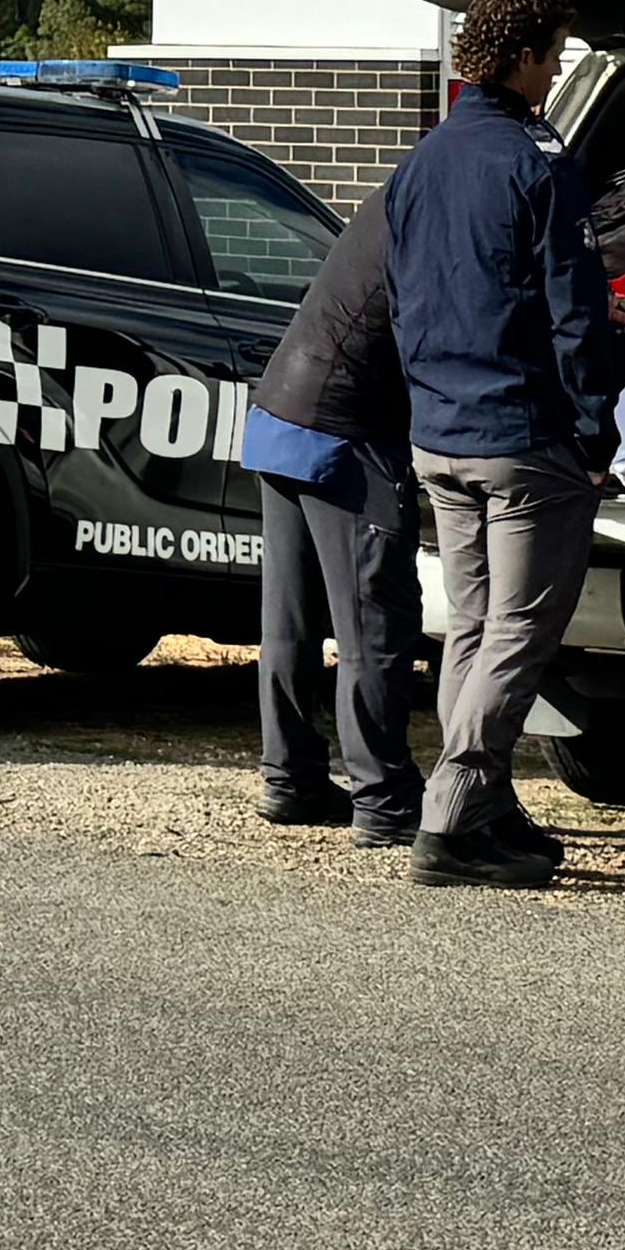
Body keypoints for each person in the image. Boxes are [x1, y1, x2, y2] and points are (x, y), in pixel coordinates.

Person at [384, 0, 625, 888]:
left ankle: (482, 813)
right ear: (523, 58)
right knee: (521, 632)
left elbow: (405, 300)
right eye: (554, 54)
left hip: (440, 431)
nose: (557, 68)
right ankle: (450, 821)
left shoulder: (422, 160)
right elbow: (574, 311)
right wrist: (594, 430)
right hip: (524, 438)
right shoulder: (539, 159)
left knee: (474, 630)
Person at [239, 194, 421, 847]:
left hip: (278, 412)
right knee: (375, 620)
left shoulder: (392, 205)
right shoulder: (439, 216)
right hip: (345, 430)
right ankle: (386, 799)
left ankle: (289, 778)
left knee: (290, 620)